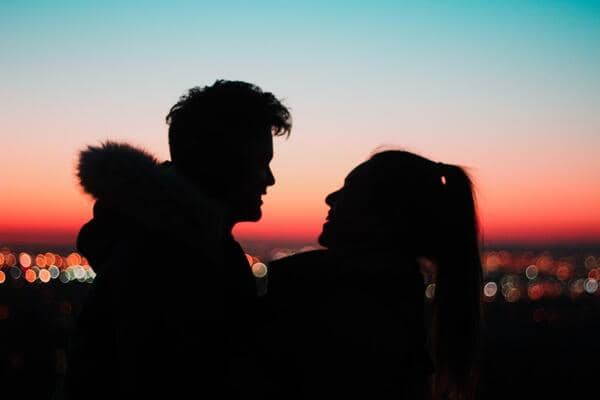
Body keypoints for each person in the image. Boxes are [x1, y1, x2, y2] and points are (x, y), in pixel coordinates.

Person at [60, 80, 291, 399]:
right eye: (260, 162)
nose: (270, 179)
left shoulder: (184, 245)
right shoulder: (172, 263)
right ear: (220, 164)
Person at [264, 150, 482, 400]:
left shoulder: (309, 287)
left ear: (388, 214)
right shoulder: (401, 303)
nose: (330, 198)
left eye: (350, 190)